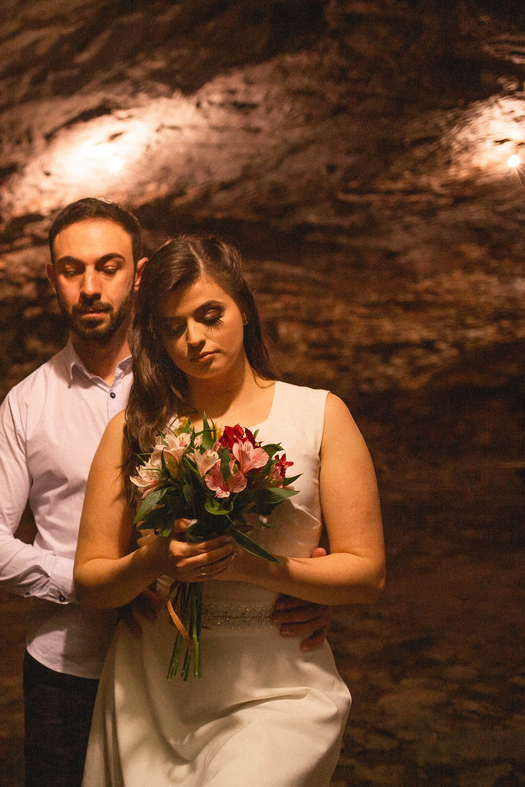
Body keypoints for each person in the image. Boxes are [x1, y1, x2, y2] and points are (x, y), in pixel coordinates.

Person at [0, 200, 332, 787]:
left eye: (107, 267)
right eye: (71, 270)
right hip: (71, 660)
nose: (89, 286)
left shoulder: (195, 376)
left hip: (194, 666)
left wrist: (302, 583)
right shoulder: (27, 403)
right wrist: (99, 581)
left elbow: (278, 477)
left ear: (139, 273)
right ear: (51, 278)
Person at [74, 234, 385, 787]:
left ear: (244, 307)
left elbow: (367, 573)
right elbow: (90, 583)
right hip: (152, 687)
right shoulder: (135, 429)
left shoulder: (319, 415)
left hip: (280, 684)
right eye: (173, 327)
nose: (194, 338)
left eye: (210, 315)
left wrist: (254, 567)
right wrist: (151, 562)